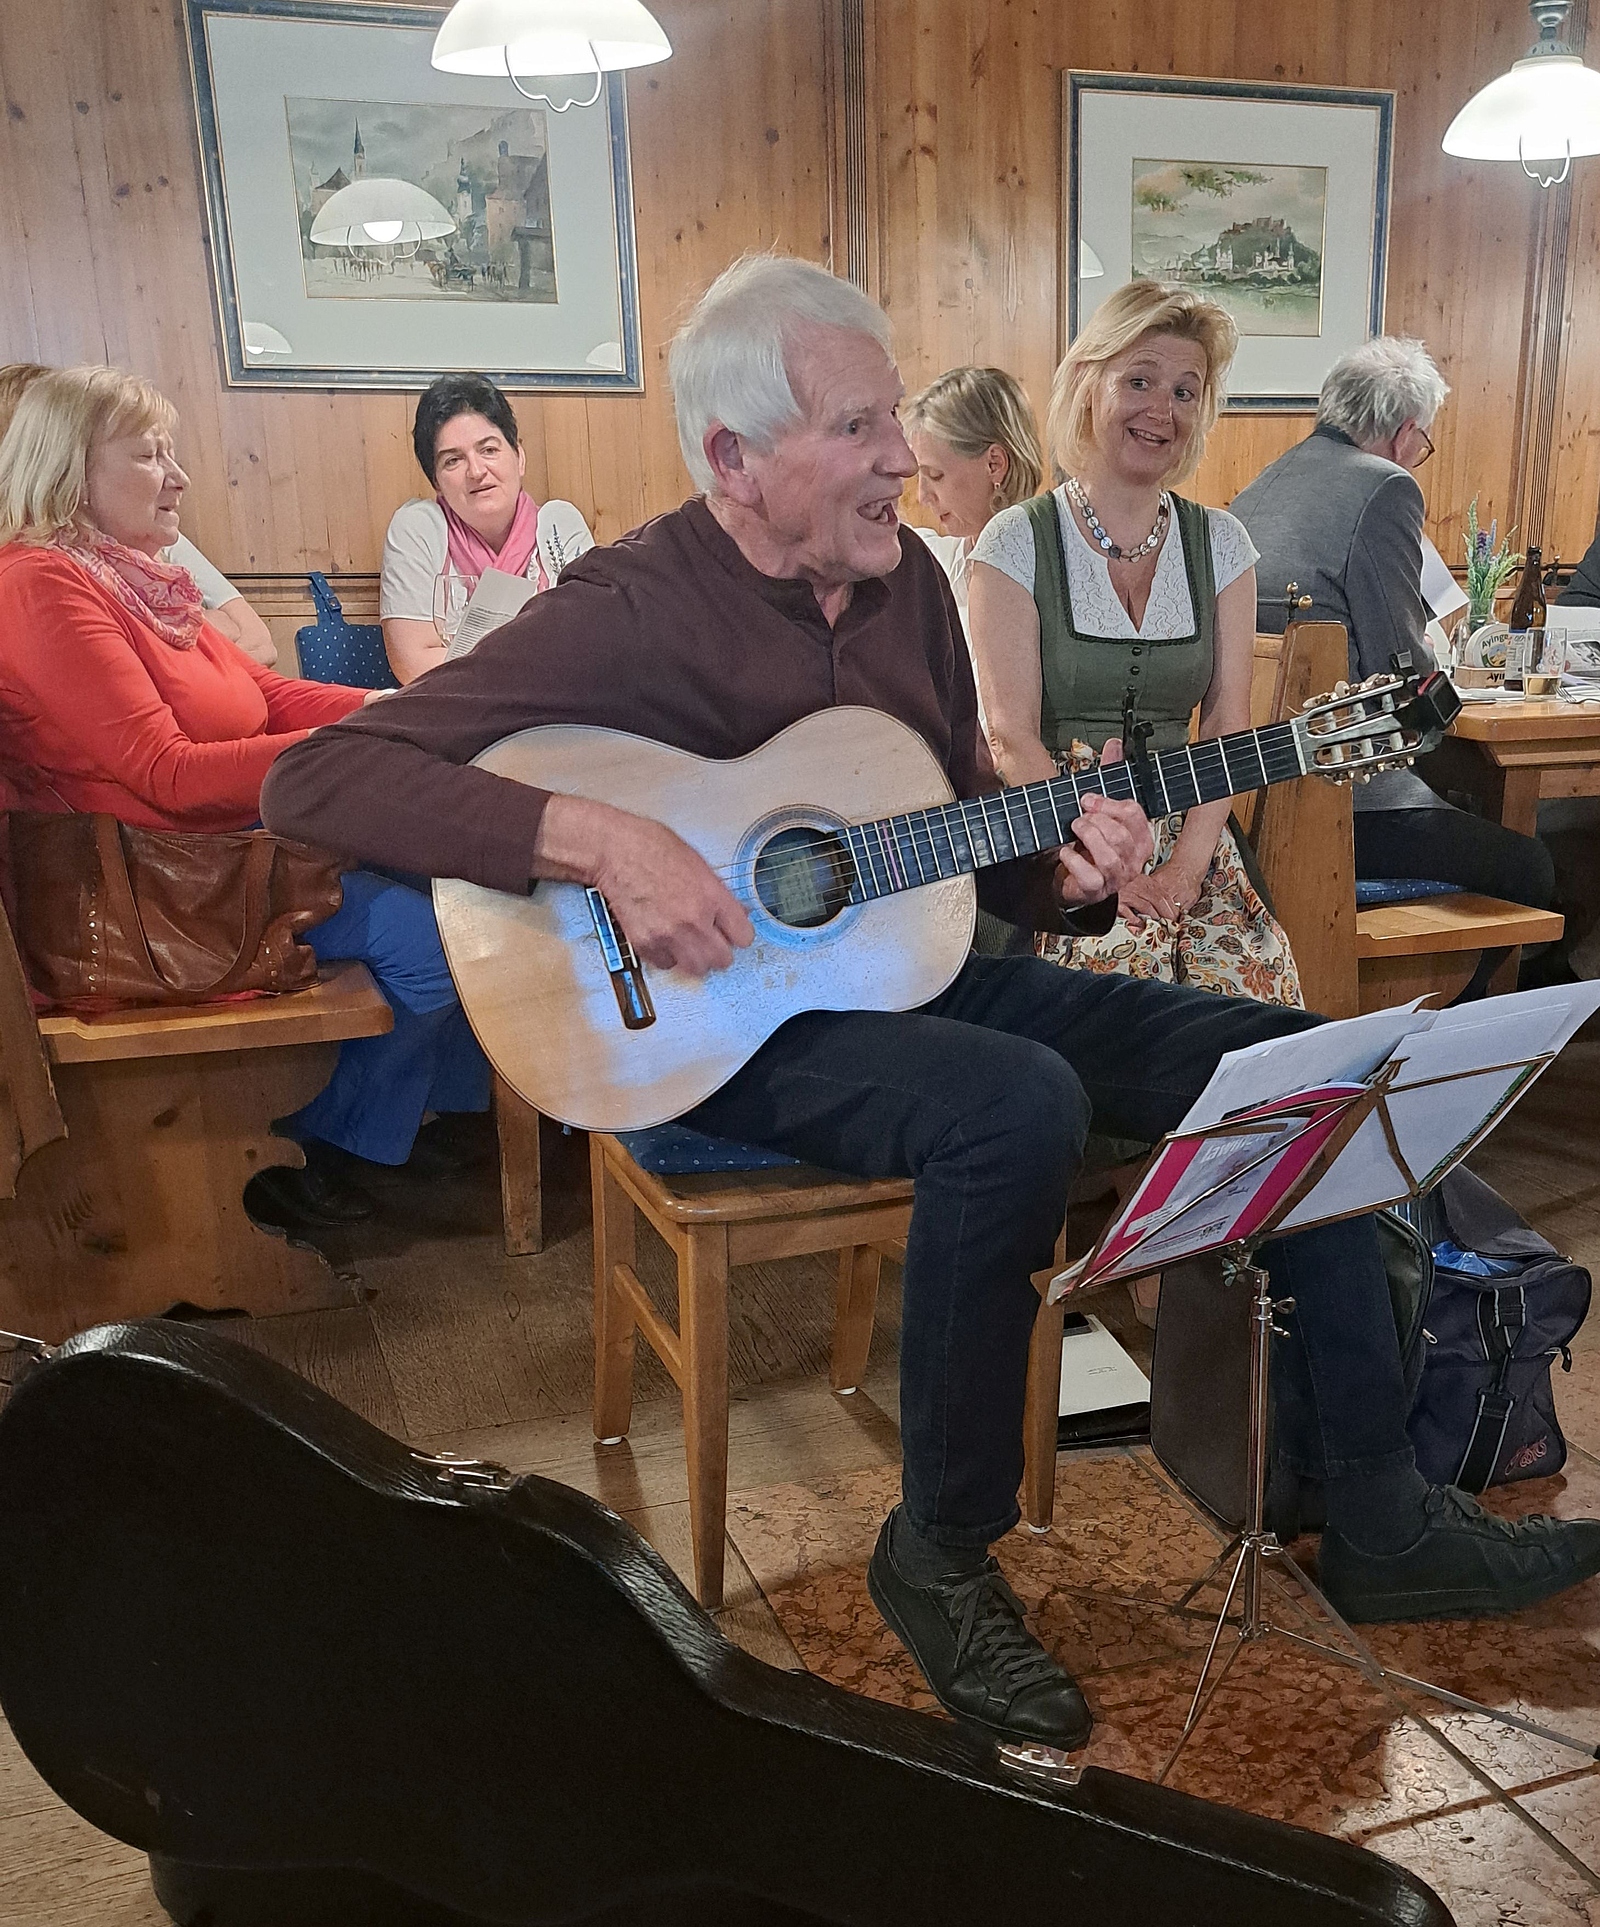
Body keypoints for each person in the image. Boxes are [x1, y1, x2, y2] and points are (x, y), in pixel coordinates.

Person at [262, 255, 1600, 1751]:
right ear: (734, 458)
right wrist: (593, 839)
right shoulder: (628, 604)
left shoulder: (904, 584)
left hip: (909, 973)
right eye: (856, 427)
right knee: (1015, 1104)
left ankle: (1379, 1514)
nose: (902, 454)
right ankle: (940, 1550)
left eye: (894, 417)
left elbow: (957, 827)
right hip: (712, 1030)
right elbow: (313, 779)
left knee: (1311, 1063)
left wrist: (1069, 870)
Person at [0, 365, 491, 1226]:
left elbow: (264, 695)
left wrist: (396, 707)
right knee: (434, 945)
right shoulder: (38, 584)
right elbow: (168, 773)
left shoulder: (129, 578)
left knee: (459, 883)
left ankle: (418, 1120)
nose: (179, 476)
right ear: (71, 470)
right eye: (149, 455)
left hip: (212, 862)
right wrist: (358, 745)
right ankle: (309, 1152)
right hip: (150, 894)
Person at [968, 281, 1301, 1009]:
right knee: (1121, 1003)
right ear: (1089, 386)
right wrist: (1097, 864)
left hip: (1192, 833)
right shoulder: (1016, 540)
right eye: (1140, 381)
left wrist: (1184, 870)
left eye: (1185, 392)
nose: (1162, 411)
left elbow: (1226, 724)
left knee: (1252, 1005)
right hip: (1053, 841)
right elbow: (1009, 737)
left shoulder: (1222, 544)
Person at [1232, 339, 1556, 968]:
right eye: (1424, 443)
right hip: (1341, 791)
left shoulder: (1264, 482)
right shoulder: (1386, 486)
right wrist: (1437, 663)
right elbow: (1403, 674)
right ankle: (1457, 1023)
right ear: (1406, 433)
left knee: (1463, 814)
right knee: (1530, 865)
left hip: (1256, 796)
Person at [0, 362, 279, 665]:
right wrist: (185, 631)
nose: (181, 480)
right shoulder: (38, 570)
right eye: (148, 455)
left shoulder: (152, 531)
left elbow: (258, 641)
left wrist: (185, 634)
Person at [380, 372, 595, 683]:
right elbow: (412, 663)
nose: (477, 471)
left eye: (489, 450)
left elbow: (589, 643)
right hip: (453, 704)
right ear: (436, 482)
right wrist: (533, 665)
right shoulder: (418, 528)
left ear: (519, 457)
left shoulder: (559, 524)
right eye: (453, 460)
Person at [901, 366, 1044, 655]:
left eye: (936, 475)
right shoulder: (933, 563)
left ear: (994, 464)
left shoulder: (1056, 572)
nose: (922, 496)